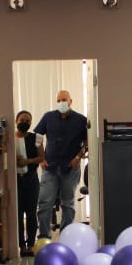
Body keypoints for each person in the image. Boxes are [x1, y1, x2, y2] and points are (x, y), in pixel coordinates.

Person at [34, 89, 88, 238]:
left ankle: (66, 237)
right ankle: (44, 237)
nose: (61, 103)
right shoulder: (48, 117)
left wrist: (78, 157)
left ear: (71, 101)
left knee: (68, 204)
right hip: (50, 168)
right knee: (44, 204)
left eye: (64, 100)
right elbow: (38, 138)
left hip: (70, 169)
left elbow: (87, 142)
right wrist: (41, 159)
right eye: (58, 100)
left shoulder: (81, 120)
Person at [15, 109, 43, 255]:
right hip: (16, 181)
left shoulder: (37, 137)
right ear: (16, 121)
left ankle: (31, 244)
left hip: (31, 179)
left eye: (28, 121)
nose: (25, 122)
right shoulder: (11, 139)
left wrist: (28, 161)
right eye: (22, 120)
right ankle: (21, 245)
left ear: (31, 123)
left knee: (31, 213)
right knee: (18, 214)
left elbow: (42, 157)